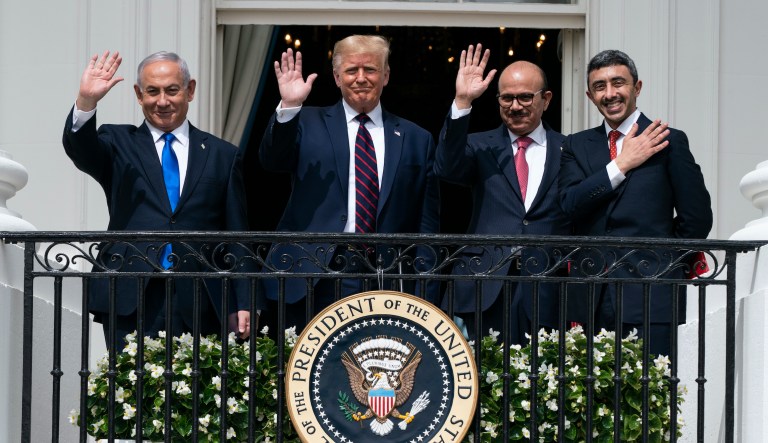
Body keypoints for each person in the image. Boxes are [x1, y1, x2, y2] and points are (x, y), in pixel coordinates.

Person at [63, 50, 254, 348]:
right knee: (130, 390)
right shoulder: (117, 143)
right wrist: (87, 102)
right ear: (139, 95)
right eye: (152, 91)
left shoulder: (222, 154)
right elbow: (81, 148)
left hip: (201, 295)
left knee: (197, 392)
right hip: (131, 292)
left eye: (172, 90)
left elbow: (236, 235)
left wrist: (243, 300)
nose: (162, 101)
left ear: (190, 91)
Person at [258, 35, 440, 332]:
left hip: (386, 278)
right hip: (314, 275)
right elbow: (272, 161)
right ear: (336, 77)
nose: (361, 78)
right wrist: (290, 106)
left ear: (386, 76)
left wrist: (426, 292)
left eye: (370, 69)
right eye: (352, 70)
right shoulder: (305, 122)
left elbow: (426, 223)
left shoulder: (416, 139)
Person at [559, 49, 713, 357]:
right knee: (591, 400)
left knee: (650, 397)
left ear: (637, 87)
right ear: (590, 96)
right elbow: (568, 204)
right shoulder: (576, 145)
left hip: (651, 294)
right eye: (600, 86)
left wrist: (663, 265)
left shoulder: (669, 141)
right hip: (591, 296)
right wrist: (621, 164)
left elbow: (696, 219)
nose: (610, 93)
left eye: (618, 82)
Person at [433, 44, 570, 344]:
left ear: (546, 99)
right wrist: (463, 101)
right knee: (479, 381)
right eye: (507, 98)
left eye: (525, 97)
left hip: (546, 285)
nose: (515, 106)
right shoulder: (481, 145)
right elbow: (446, 167)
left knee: (541, 382)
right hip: (484, 284)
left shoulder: (569, 150)